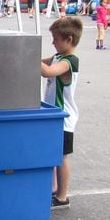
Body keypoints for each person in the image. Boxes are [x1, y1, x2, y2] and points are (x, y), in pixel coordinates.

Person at [41, 17, 82, 209]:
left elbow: (48, 71)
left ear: (69, 39)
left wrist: (30, 54)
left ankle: (62, 196)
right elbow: (44, 63)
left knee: (62, 157)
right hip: (53, 115)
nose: (53, 43)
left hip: (63, 117)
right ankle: (53, 188)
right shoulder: (58, 56)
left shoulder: (70, 61)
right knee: (52, 153)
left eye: (56, 39)